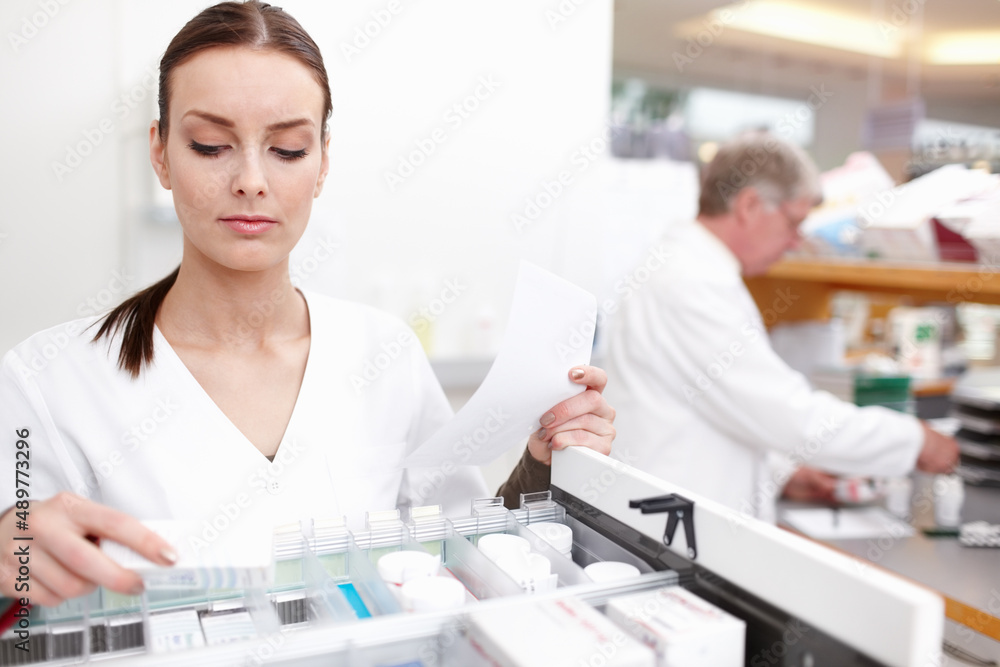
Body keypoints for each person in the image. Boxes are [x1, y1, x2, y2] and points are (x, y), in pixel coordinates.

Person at [0, 0, 616, 608]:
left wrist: (542, 464)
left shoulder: (384, 354)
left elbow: (459, 555)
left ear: (322, 163)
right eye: (211, 145)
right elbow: (22, 613)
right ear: (160, 152)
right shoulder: (49, 381)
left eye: (288, 150)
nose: (250, 180)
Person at [603, 131, 958, 522]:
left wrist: (782, 473)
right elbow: (791, 417)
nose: (794, 242)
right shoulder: (691, 283)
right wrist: (914, 439)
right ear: (750, 205)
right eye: (794, 222)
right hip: (674, 523)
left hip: (676, 513)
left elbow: (716, 408)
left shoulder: (689, 268)